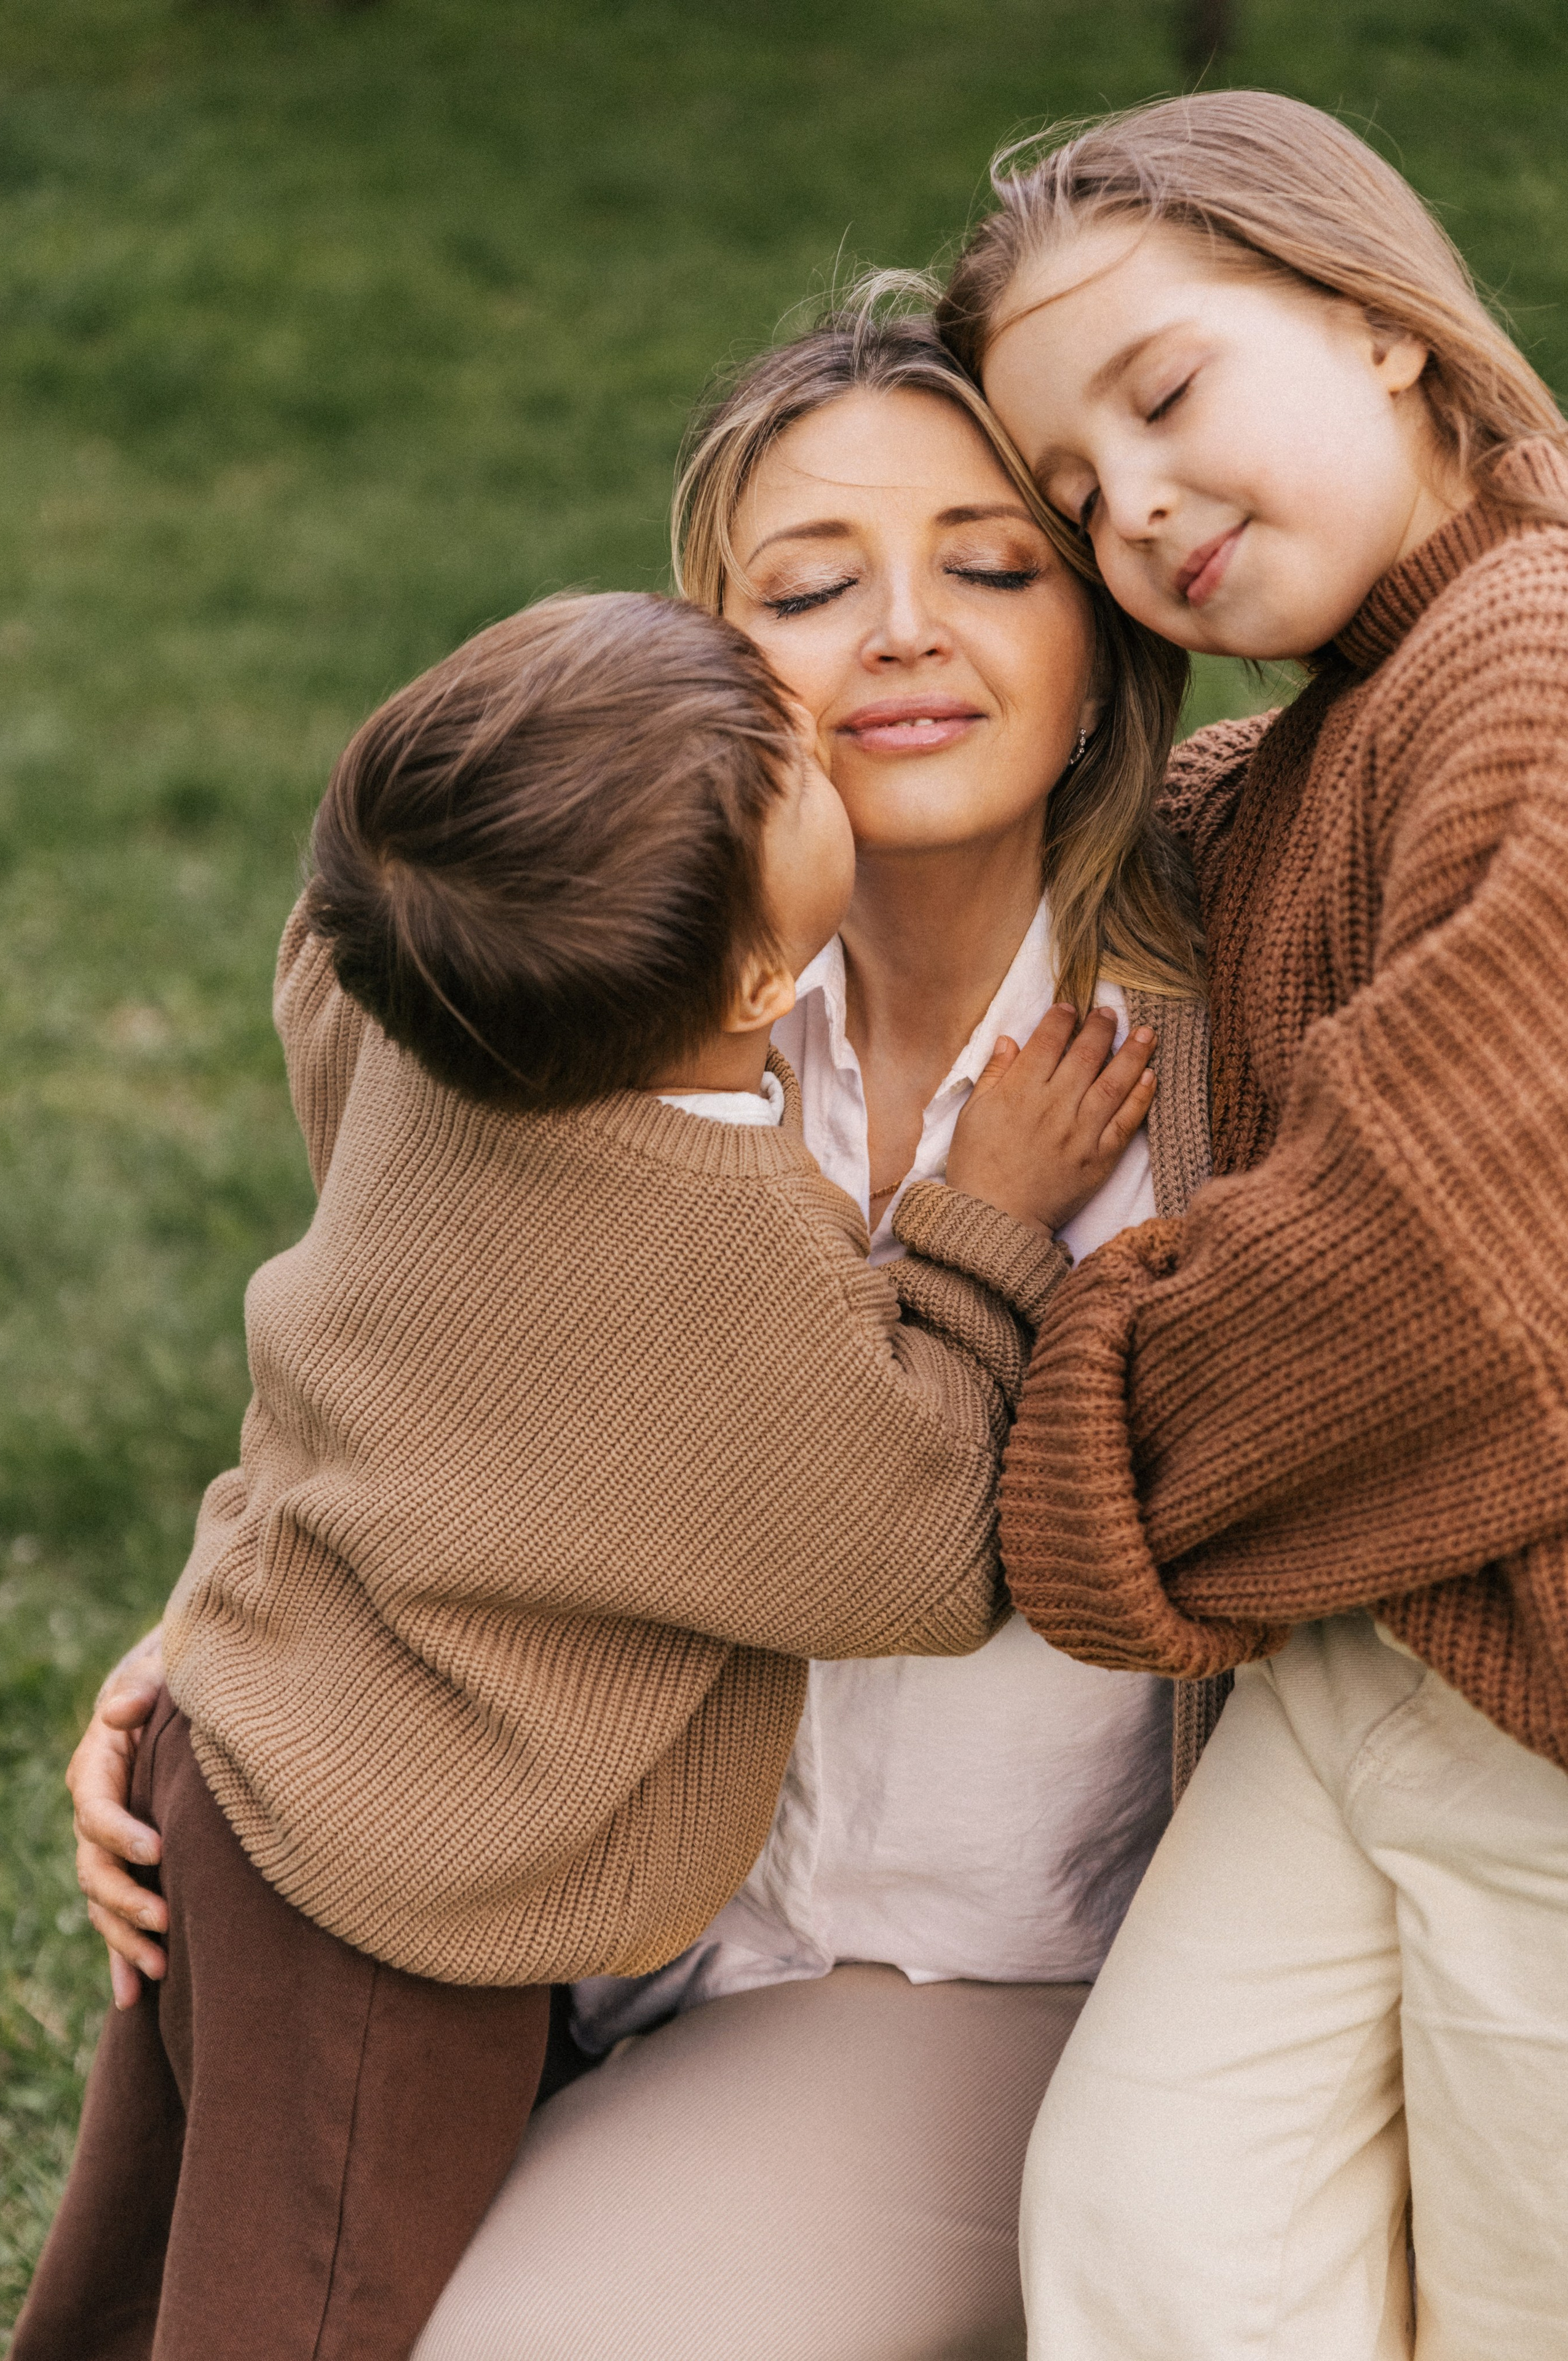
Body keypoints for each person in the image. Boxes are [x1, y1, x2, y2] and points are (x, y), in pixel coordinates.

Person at [65, 309, 1215, 2360]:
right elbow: (399, 1360)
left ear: (1106, 620)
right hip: (529, 1924)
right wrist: (203, 1637)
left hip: (945, 1972)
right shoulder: (568, 988)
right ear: (695, 653)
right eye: (805, 584)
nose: (899, 631)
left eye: (988, 560)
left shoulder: (1209, 1049)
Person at [938, 87, 1568, 2360]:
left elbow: (1466, 1294)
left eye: (1172, 393)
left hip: (1543, 1710)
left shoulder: (1536, 656)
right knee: (1156, 2237)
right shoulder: (1300, 761)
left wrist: (1059, 1429)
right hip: (1369, 1657)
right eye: (1078, 501)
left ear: (1380, 321)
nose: (1145, 507)